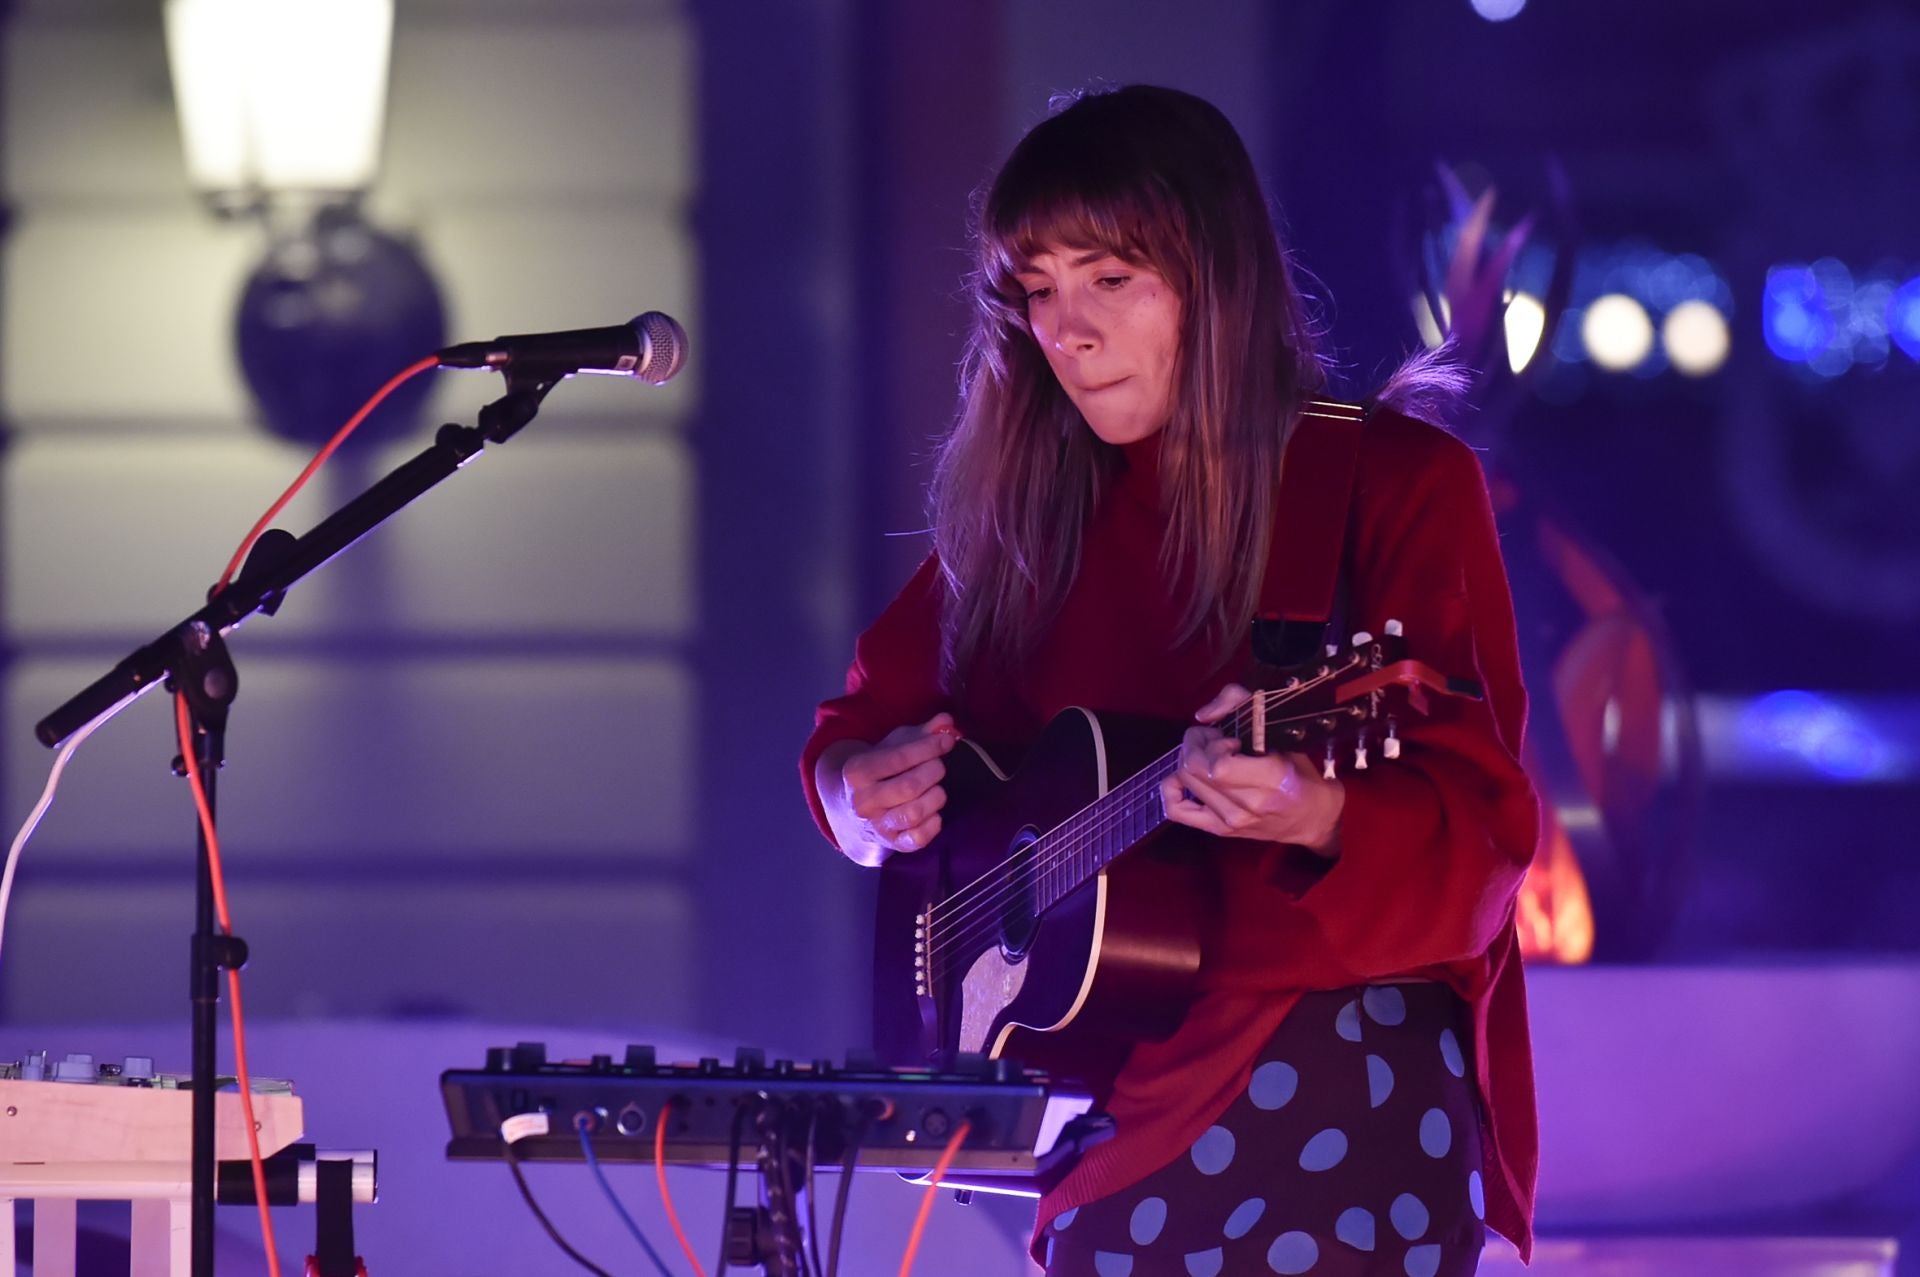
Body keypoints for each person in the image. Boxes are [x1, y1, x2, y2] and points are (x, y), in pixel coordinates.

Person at [800, 85, 1539, 1277]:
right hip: (1102, 1109)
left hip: (1332, 1080)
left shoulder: (1390, 482)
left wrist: (1320, 811)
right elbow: (866, 723)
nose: (1068, 331)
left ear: (1216, 279)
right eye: (1038, 289)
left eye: (1111, 278)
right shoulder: (1031, 514)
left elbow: (1487, 842)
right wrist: (853, 792)